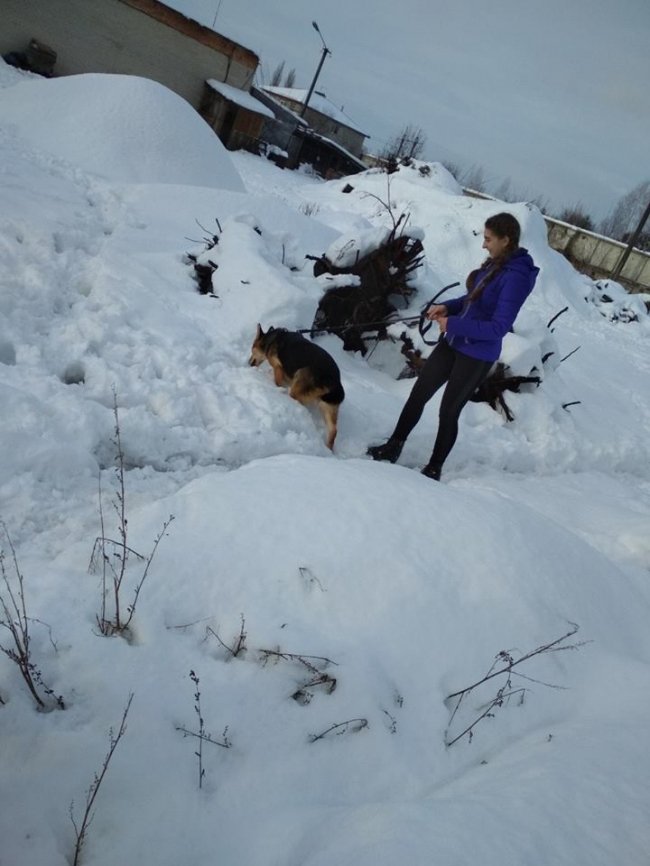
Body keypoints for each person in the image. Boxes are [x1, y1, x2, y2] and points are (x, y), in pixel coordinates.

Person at [367, 212, 539, 480]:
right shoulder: (496, 264)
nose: (484, 244)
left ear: (506, 240)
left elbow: (498, 327)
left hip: (477, 354)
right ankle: (393, 446)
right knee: (418, 394)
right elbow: (473, 298)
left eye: (488, 239)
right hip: (453, 343)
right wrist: (447, 307)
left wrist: (454, 324)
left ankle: (434, 468)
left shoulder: (515, 277)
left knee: (448, 411)